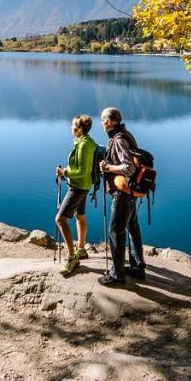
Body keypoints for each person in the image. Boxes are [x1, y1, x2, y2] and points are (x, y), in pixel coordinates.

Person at [98, 106, 146, 286]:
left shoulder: (118, 140)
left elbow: (129, 167)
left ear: (109, 121)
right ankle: (137, 267)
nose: (102, 124)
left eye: (103, 120)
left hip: (123, 192)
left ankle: (118, 275)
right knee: (132, 227)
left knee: (115, 231)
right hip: (132, 191)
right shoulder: (126, 134)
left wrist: (108, 168)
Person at [55, 114, 97, 276]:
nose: (71, 128)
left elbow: (81, 171)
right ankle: (81, 249)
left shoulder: (84, 145)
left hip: (78, 187)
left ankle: (72, 258)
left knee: (60, 219)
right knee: (80, 215)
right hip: (84, 185)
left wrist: (64, 172)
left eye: (73, 126)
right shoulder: (84, 142)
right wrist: (66, 171)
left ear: (80, 129)